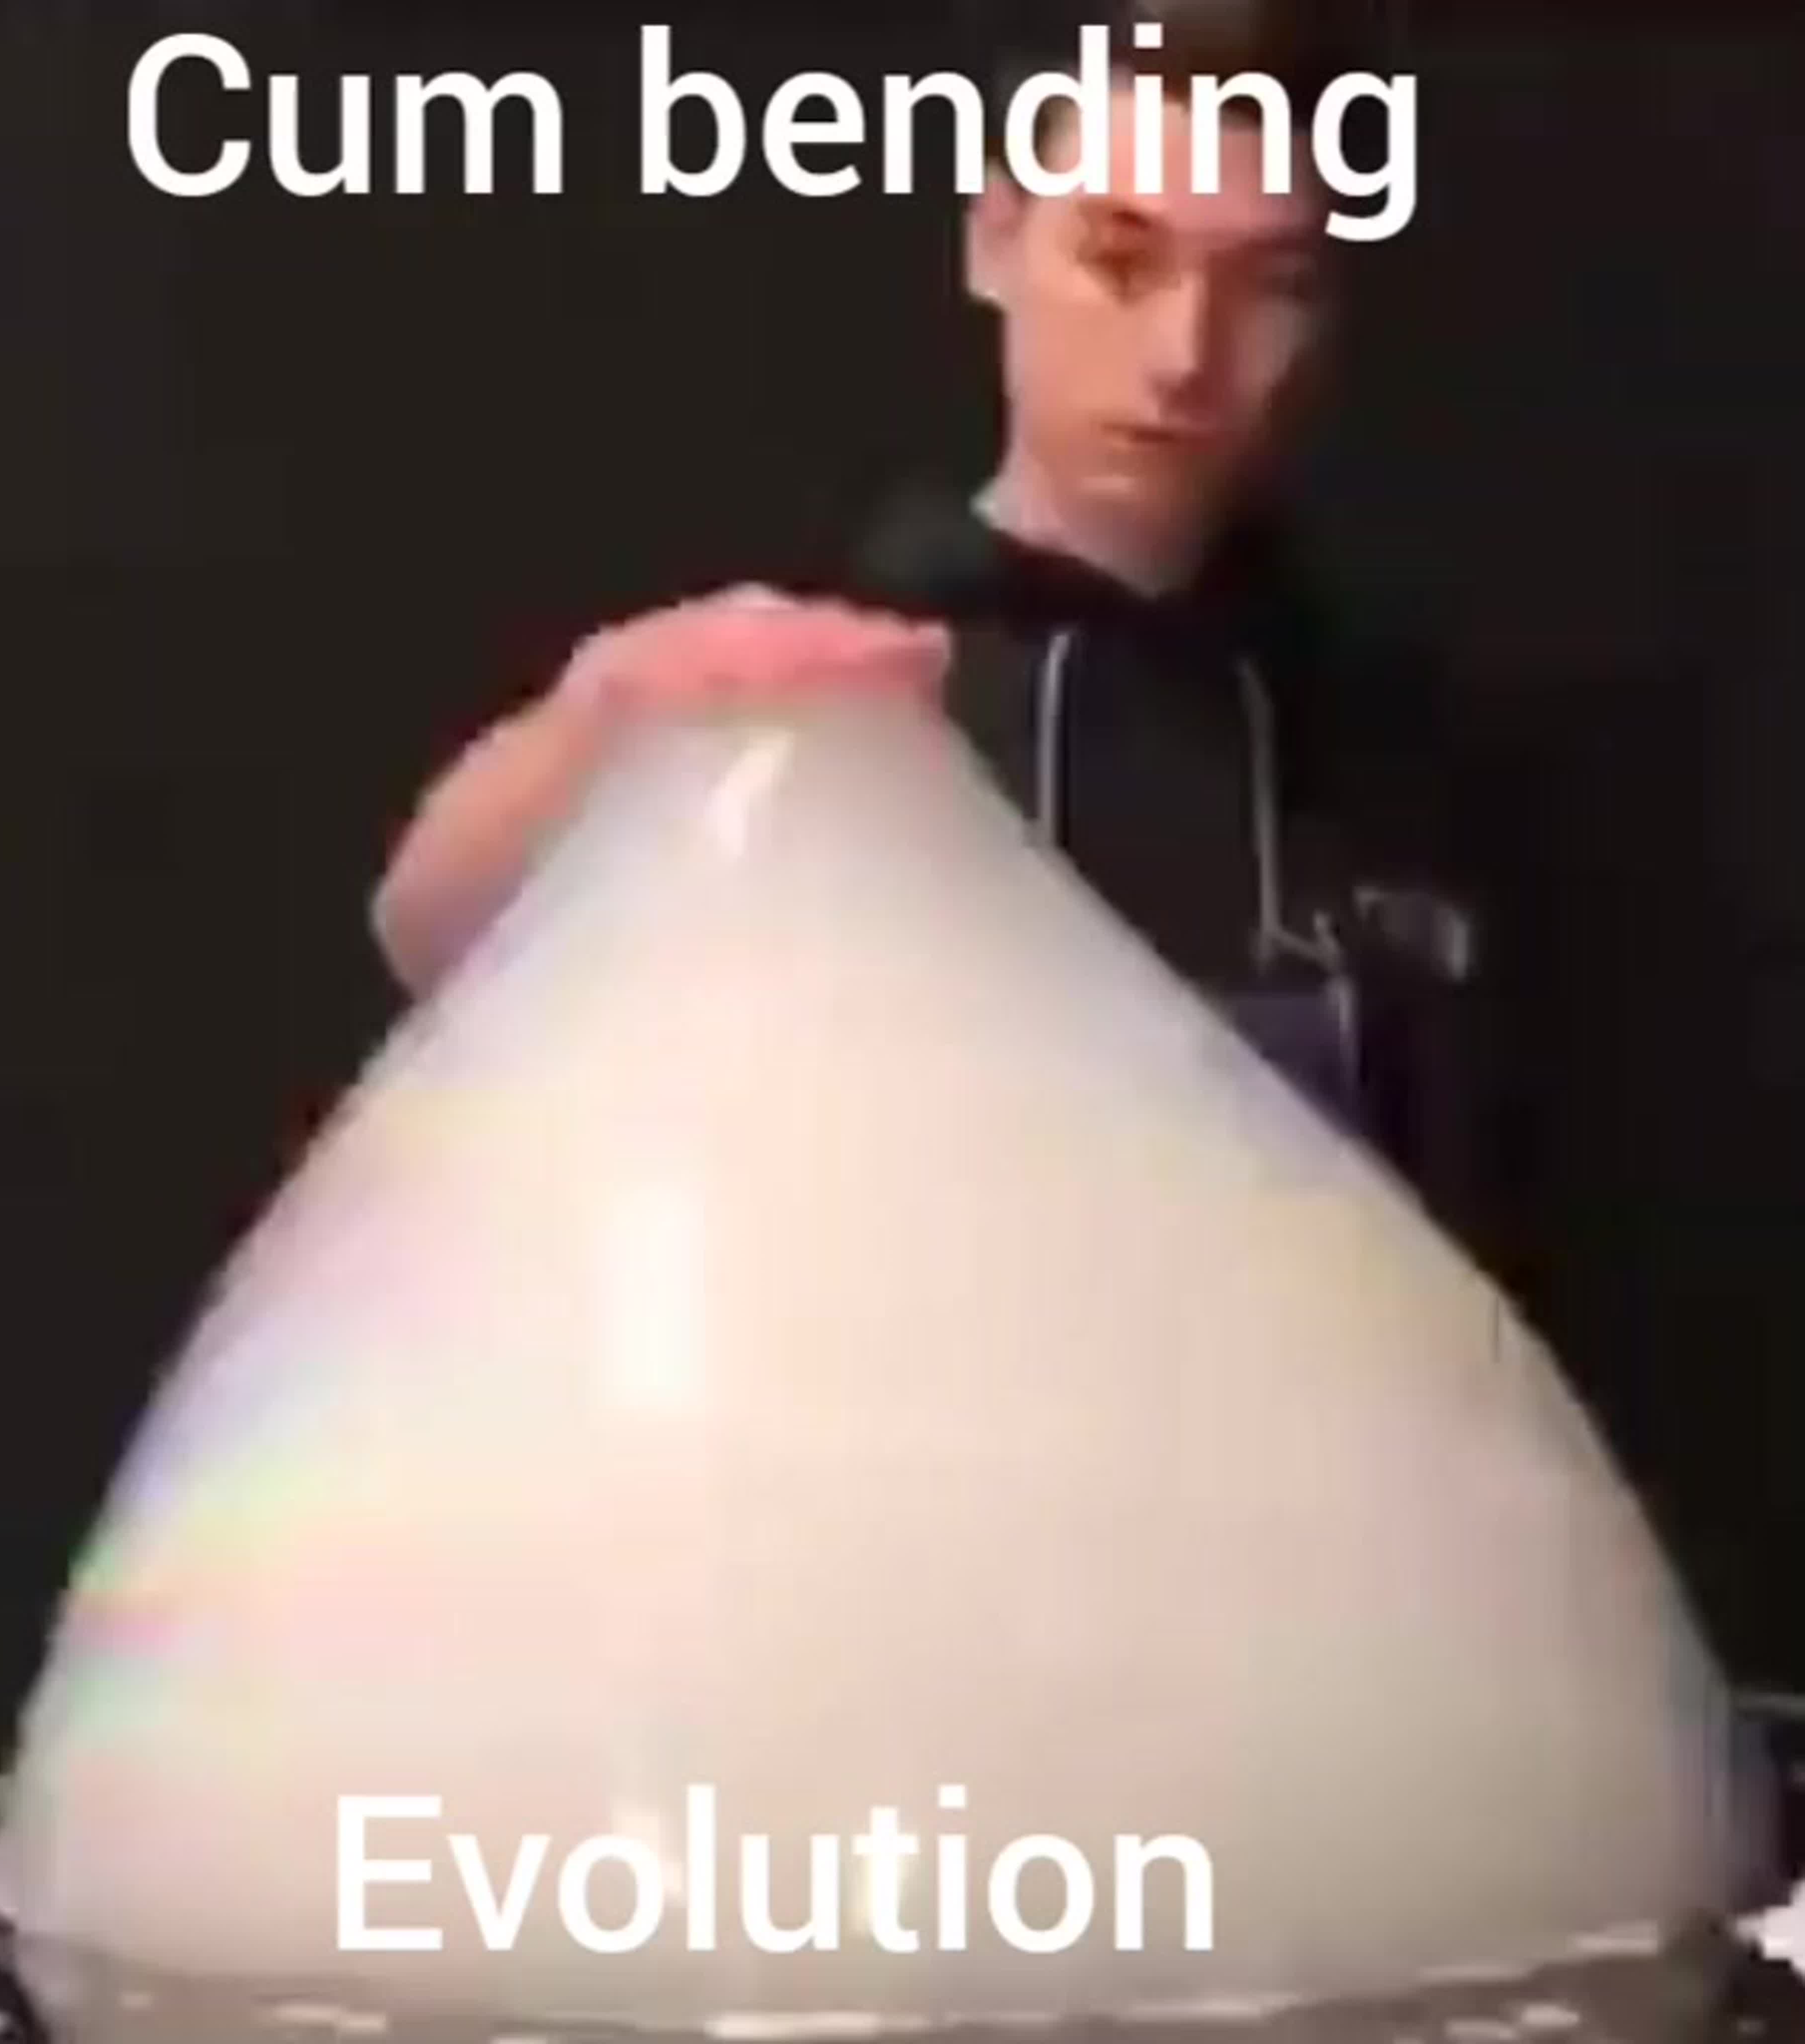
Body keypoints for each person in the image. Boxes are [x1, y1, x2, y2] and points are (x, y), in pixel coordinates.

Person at [367, 0, 1787, 1677]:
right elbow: (432, 930)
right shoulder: (814, 682)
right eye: (1119, 259)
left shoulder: (1403, 762)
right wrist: (605, 713)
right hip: (891, 1638)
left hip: (1329, 1649)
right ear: (996, 242)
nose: (1184, 356)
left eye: (1266, 285)